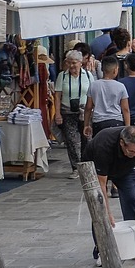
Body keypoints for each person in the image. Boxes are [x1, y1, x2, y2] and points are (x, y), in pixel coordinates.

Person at [83, 125, 135, 266]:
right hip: (94, 169)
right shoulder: (104, 143)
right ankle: (102, 250)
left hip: (125, 169)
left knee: (131, 199)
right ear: (122, 143)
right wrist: (107, 211)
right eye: (131, 151)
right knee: (99, 211)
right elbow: (101, 184)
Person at [53, 49, 92, 178]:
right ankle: (76, 167)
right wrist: (57, 113)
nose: (71, 66)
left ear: (81, 63)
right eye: (69, 62)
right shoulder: (62, 76)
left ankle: (86, 165)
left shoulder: (88, 75)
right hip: (67, 111)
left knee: (86, 138)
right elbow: (57, 96)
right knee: (71, 140)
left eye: (74, 63)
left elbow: (92, 94)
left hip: (84, 111)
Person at [84, 56, 129, 139]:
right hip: (116, 122)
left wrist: (86, 124)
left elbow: (88, 107)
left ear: (102, 69)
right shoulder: (121, 86)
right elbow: (125, 109)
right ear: (115, 70)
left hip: (99, 122)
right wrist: (127, 127)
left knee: (100, 148)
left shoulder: (94, 85)